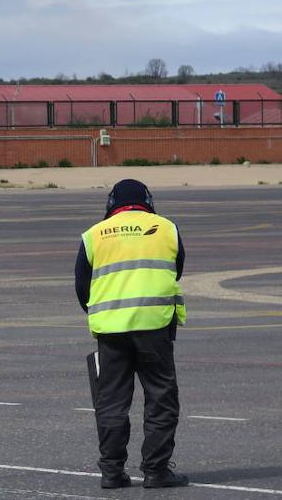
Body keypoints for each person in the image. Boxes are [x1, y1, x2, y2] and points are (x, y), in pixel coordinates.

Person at [76, 179, 188, 490]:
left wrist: (105, 312)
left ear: (111, 203)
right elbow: (176, 269)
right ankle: (156, 470)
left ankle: (111, 472)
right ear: (148, 201)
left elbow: (81, 287)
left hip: (111, 331)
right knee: (161, 399)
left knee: (111, 401)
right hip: (155, 326)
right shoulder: (167, 228)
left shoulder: (93, 235)